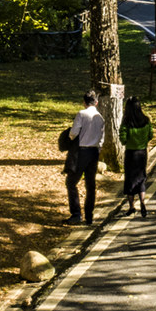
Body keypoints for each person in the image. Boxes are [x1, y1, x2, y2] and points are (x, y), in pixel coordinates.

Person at [64, 90, 105, 225]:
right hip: (94, 152)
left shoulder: (82, 114)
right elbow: (101, 139)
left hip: (81, 151)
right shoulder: (100, 118)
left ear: (84, 102)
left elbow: (73, 133)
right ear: (96, 102)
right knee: (90, 185)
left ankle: (76, 213)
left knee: (71, 182)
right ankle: (89, 215)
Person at [120, 97, 153, 218]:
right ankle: (143, 203)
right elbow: (151, 135)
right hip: (142, 153)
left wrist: (129, 141)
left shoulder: (127, 122)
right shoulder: (146, 120)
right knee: (141, 178)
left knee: (130, 180)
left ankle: (131, 207)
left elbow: (123, 138)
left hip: (130, 154)